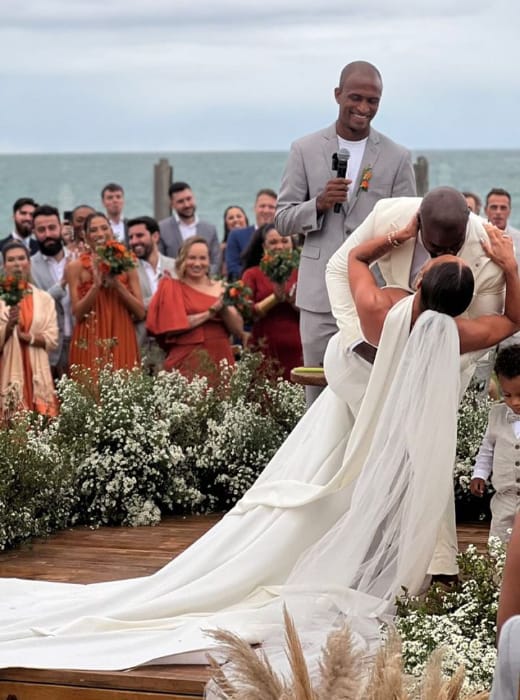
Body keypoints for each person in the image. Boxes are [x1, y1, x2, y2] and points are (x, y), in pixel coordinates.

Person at [0, 223, 517, 676]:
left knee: (345, 500)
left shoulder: (382, 309)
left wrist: (397, 235)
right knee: (389, 510)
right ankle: (390, 575)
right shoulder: (460, 332)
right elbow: (513, 319)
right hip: (409, 443)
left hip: (367, 425)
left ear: (422, 281)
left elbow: (355, 258)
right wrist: (510, 265)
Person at [275, 60, 416, 404]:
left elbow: (411, 225)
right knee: (317, 395)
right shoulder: (304, 149)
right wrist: (318, 204)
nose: (364, 108)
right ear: (337, 95)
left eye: (373, 101)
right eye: (356, 98)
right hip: (319, 296)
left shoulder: (397, 157)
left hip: (375, 294)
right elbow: (282, 219)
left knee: (372, 395)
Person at [146, 236, 242, 378]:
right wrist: (210, 312)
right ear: (182, 259)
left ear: (209, 261)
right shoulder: (171, 286)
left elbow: (238, 329)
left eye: (203, 258)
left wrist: (224, 308)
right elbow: (171, 326)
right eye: (192, 258)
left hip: (220, 356)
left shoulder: (222, 287)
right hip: (186, 359)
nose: (197, 263)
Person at [66, 212, 144, 375]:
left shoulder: (128, 263)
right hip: (90, 335)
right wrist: (96, 285)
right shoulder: (75, 267)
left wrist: (117, 284)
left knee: (123, 391)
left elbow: (140, 312)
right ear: (86, 236)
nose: (100, 234)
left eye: (104, 228)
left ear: (112, 230)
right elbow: (78, 313)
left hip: (121, 332)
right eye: (94, 230)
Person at [0, 241, 58, 416]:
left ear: (29, 262)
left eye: (21, 258)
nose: (17, 264)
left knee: (41, 424)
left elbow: (52, 338)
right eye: (11, 260)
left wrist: (27, 337)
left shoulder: (45, 298)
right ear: (4, 265)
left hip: (37, 370)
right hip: (6, 368)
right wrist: (8, 327)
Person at [470, 345, 520, 542]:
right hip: (504, 497)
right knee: (500, 542)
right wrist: (479, 473)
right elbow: (487, 449)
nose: (515, 402)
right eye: (507, 395)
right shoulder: (496, 415)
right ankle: (498, 574)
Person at [241, 224, 302, 380]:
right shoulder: (252, 274)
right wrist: (275, 298)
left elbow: (316, 310)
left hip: (298, 345)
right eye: (273, 242)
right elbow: (247, 312)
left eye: (284, 241)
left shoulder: (303, 271)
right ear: (264, 247)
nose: (279, 246)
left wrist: (293, 301)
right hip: (263, 344)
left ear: (292, 245)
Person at [30, 205, 73, 379]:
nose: (47, 234)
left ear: (61, 227)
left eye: (52, 228)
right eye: (41, 230)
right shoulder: (29, 266)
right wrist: (63, 282)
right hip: (49, 351)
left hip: (81, 344)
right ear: (33, 232)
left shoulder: (78, 258)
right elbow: (35, 303)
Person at [128, 215, 176, 369]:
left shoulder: (176, 266)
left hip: (172, 349)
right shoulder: (126, 269)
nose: (134, 241)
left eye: (140, 235)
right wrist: (162, 297)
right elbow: (130, 310)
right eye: (131, 237)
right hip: (139, 349)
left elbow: (181, 304)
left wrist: (145, 304)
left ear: (155, 236)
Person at [159, 182, 220, 275]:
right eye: (180, 201)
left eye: (189, 199)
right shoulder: (162, 229)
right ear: (172, 205)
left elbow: (216, 262)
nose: (187, 204)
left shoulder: (210, 229)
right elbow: (160, 262)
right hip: (175, 284)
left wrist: (201, 279)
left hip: (204, 285)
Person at [226, 189, 277, 280]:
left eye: (271, 207)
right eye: (262, 206)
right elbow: (233, 267)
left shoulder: (284, 237)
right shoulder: (237, 235)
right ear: (255, 208)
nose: (266, 210)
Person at [220, 205, 249, 277]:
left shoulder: (256, 242)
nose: (235, 220)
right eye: (231, 218)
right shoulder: (221, 249)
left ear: (245, 219)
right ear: (226, 224)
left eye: (239, 216)